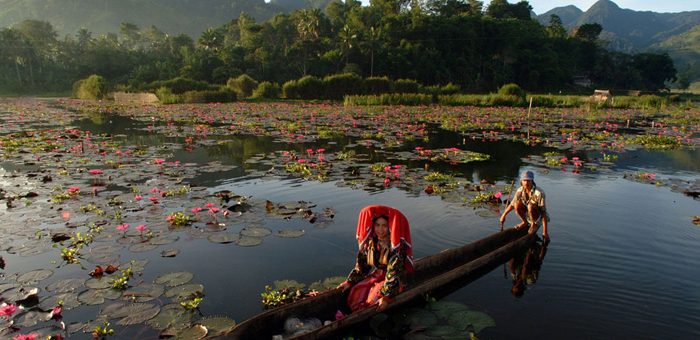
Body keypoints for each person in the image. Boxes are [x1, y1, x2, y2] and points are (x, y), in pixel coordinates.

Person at [337, 205, 413, 312]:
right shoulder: (371, 242)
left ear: (390, 227)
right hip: (378, 275)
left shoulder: (396, 246)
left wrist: (386, 297)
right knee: (355, 292)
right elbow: (362, 266)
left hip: (395, 280)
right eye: (377, 225)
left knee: (373, 300)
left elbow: (394, 272)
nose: (380, 230)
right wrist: (349, 281)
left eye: (384, 226)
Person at [499, 170, 550, 239]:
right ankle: (525, 222)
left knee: (530, 206)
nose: (526, 183)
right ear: (521, 181)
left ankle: (533, 224)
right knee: (516, 204)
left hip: (538, 216)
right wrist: (503, 215)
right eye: (524, 180)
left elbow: (543, 213)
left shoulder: (539, 193)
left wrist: (545, 232)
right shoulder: (520, 190)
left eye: (528, 180)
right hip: (528, 213)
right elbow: (512, 204)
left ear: (532, 181)